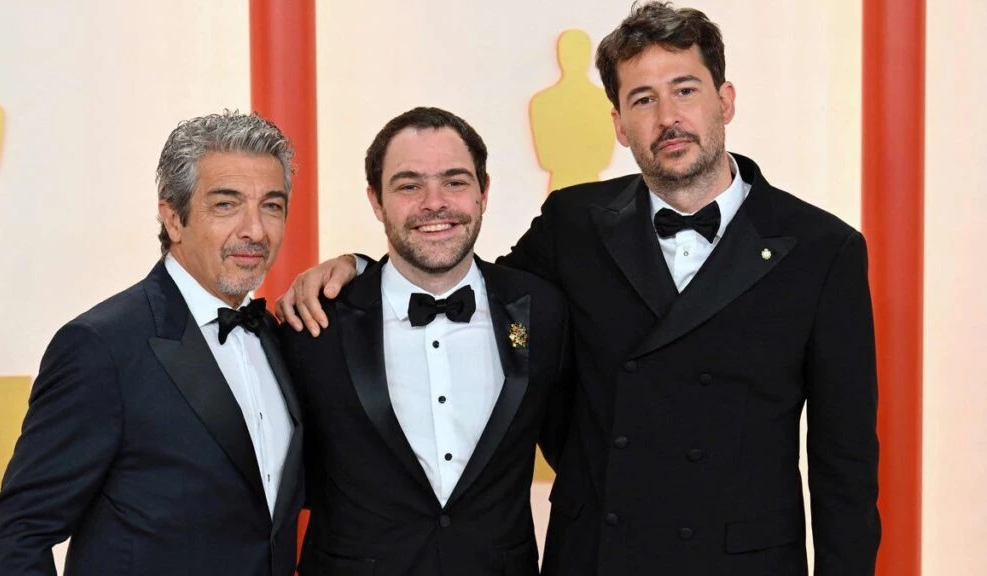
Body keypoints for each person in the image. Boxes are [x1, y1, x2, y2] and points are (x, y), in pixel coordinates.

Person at [278, 3, 882, 575]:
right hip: (596, 552)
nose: (667, 118)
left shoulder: (822, 249)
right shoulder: (573, 222)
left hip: (739, 561)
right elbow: (467, 282)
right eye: (642, 99)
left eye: (685, 90)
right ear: (618, 125)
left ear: (725, 100)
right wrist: (360, 267)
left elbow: (845, 463)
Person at [0, 111, 306, 576]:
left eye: (272, 206)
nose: (255, 230)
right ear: (173, 219)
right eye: (226, 204)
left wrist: (354, 266)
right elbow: (20, 533)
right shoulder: (101, 347)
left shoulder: (279, 337)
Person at [281, 107, 571, 576]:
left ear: (483, 192)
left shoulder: (543, 310)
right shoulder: (316, 322)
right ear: (376, 201)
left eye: (454, 182)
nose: (434, 203)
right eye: (409, 186)